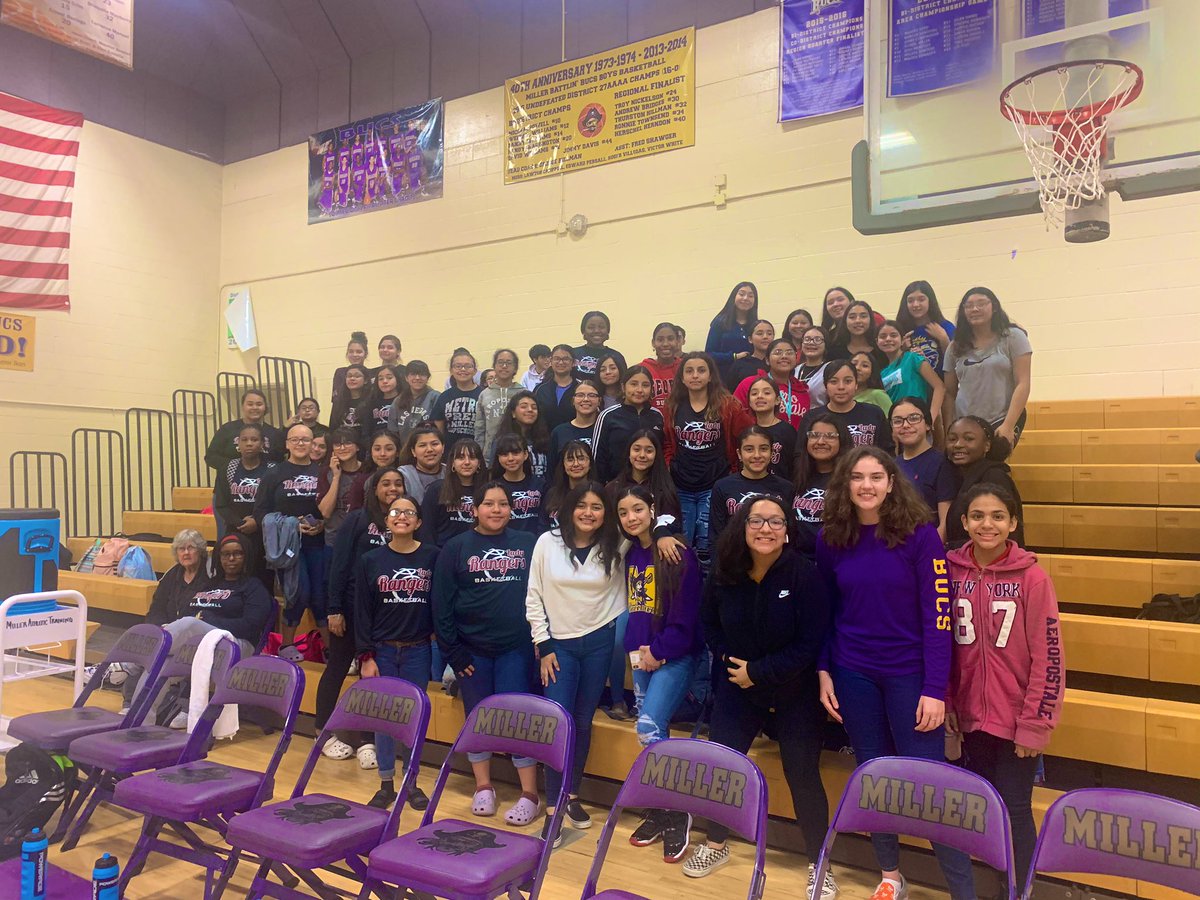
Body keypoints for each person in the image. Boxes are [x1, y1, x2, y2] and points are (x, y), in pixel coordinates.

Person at [816, 448, 977, 900]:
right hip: (853, 672)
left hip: (911, 674)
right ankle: (890, 875)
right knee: (873, 776)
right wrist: (825, 669)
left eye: (876, 476)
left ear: (891, 482)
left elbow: (939, 617)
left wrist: (934, 689)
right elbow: (827, 613)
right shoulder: (832, 538)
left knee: (931, 789)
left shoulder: (922, 536)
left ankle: (964, 891)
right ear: (845, 484)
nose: (866, 485)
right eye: (857, 477)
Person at [686, 496, 834, 900]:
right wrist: (729, 661)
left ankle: (819, 862)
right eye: (757, 521)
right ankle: (715, 843)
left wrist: (760, 671)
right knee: (723, 765)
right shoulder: (725, 572)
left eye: (775, 521)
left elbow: (810, 643)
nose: (766, 529)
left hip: (793, 687)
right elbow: (709, 624)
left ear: (788, 530)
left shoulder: (805, 575)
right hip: (736, 685)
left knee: (802, 774)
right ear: (743, 526)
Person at [947, 485, 1063, 890]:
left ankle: (1020, 890)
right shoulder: (948, 571)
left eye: (997, 516)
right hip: (969, 716)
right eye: (977, 516)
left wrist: (1036, 723)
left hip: (1017, 719)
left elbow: (1049, 658)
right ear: (964, 523)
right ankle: (1001, 882)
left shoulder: (1033, 578)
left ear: (1013, 523)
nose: (987, 524)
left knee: (1013, 806)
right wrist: (948, 703)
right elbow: (940, 641)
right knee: (987, 806)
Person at [432, 481, 541, 826]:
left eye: (503, 504)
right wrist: (453, 653)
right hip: (472, 652)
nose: (496, 510)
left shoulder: (528, 543)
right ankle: (484, 786)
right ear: (474, 509)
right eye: (489, 504)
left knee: (517, 720)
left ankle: (529, 794)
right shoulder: (456, 547)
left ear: (512, 509)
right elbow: (441, 606)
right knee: (476, 719)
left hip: (516, 648)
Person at [526, 483, 626, 847]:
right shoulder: (547, 543)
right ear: (568, 508)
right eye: (581, 505)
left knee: (582, 723)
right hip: (559, 647)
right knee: (558, 723)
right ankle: (553, 812)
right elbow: (533, 595)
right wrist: (544, 643)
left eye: (597, 507)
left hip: (599, 643)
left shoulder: (617, 545)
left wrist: (662, 533)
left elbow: (653, 526)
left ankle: (571, 796)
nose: (588, 512)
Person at [616, 485, 704, 863]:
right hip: (641, 657)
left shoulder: (675, 551)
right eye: (623, 512)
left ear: (652, 509)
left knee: (649, 727)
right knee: (651, 733)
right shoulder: (631, 553)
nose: (631, 517)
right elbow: (637, 609)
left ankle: (678, 810)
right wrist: (637, 651)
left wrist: (660, 651)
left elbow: (687, 617)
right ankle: (663, 809)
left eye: (638, 508)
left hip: (674, 655)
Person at [355, 493, 439, 811]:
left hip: (418, 650)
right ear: (387, 521)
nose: (401, 516)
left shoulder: (432, 556)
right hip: (383, 651)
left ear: (418, 521)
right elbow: (362, 611)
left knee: (413, 720)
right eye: (395, 511)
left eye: (409, 512)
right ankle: (386, 783)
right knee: (384, 720)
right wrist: (366, 656)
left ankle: (411, 782)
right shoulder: (371, 561)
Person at [321, 468, 405, 771]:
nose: (392, 488)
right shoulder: (357, 519)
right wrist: (334, 609)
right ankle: (324, 733)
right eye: (386, 483)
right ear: (375, 488)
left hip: (383, 613)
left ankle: (367, 739)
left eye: (398, 484)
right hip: (350, 608)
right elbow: (338, 565)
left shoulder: (404, 519)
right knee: (338, 668)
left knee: (371, 675)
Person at [663, 352, 752, 572]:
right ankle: (684, 594)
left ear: (711, 375)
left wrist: (734, 470)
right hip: (681, 485)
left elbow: (746, 436)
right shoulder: (672, 406)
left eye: (701, 370)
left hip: (714, 485)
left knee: (705, 546)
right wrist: (670, 464)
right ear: (682, 378)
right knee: (682, 544)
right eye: (689, 371)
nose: (695, 376)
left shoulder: (728, 405)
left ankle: (705, 598)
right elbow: (666, 441)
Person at [121, 529, 212, 712]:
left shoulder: (210, 577)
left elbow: (206, 612)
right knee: (149, 637)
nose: (185, 553)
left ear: (200, 550)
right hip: (167, 634)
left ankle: (127, 667)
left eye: (190, 548)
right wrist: (161, 626)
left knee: (153, 652)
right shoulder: (172, 576)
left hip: (193, 638)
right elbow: (156, 608)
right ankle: (130, 704)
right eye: (181, 549)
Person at [255, 423, 327, 654]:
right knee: (298, 594)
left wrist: (323, 525)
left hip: (318, 543)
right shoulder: (274, 474)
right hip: (288, 547)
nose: (300, 444)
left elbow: (332, 507)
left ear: (313, 443)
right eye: (294, 439)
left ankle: (329, 650)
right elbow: (260, 512)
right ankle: (287, 646)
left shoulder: (322, 472)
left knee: (320, 597)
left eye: (305, 440)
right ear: (287, 443)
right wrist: (290, 525)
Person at [943, 287, 1033, 448]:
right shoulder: (955, 346)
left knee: (991, 467)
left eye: (981, 303)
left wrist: (1008, 425)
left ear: (995, 307)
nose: (975, 309)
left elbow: (1023, 383)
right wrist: (950, 428)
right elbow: (949, 393)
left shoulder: (1013, 337)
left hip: (1001, 418)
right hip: (966, 423)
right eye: (969, 305)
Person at [172, 533, 273, 658]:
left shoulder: (254, 587)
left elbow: (251, 626)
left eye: (238, 553)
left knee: (189, 626)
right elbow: (186, 611)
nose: (231, 558)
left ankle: (154, 649)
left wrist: (210, 621)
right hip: (201, 640)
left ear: (246, 556)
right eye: (226, 554)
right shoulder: (209, 584)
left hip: (237, 643)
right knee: (165, 661)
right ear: (219, 558)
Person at [212, 423, 276, 594]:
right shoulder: (228, 468)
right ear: (237, 444)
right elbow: (221, 504)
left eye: (254, 440)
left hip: (263, 534)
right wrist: (239, 522)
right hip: (236, 531)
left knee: (262, 579)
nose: (249, 443)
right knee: (236, 578)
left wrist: (257, 520)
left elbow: (276, 503)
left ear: (262, 444)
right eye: (244, 440)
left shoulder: (272, 470)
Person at [945, 416, 1025, 550]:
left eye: (969, 439)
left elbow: (1000, 534)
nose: (958, 444)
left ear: (987, 445)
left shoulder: (995, 477)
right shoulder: (954, 476)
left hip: (993, 564)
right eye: (952, 439)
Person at [709, 426, 794, 541]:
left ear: (772, 453)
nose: (757, 455)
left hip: (772, 554)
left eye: (763, 449)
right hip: (734, 555)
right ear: (739, 454)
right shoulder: (722, 486)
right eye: (749, 449)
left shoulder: (786, 488)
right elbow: (715, 536)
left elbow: (790, 533)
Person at [893, 398, 956, 540]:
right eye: (898, 421)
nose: (905, 425)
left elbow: (945, 522)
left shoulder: (941, 463)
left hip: (927, 545)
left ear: (928, 424)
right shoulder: (890, 465)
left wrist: (931, 549)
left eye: (913, 418)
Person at [791, 414, 852, 559]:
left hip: (835, 561)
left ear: (841, 441)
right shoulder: (798, 476)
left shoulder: (851, 479)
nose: (820, 441)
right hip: (800, 561)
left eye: (830, 436)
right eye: (814, 435)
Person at [799, 361, 894, 453]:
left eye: (848, 381)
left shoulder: (874, 413)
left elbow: (887, 451)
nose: (841, 387)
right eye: (833, 381)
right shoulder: (812, 417)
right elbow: (800, 454)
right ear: (825, 385)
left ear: (856, 384)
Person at [591, 364, 664, 483]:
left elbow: (660, 455)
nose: (639, 390)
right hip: (615, 486)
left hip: (649, 486)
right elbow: (597, 458)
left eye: (645, 385)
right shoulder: (607, 416)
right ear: (623, 387)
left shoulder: (657, 416)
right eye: (633, 384)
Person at [605, 429, 681, 528]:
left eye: (649, 451)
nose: (642, 455)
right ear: (629, 453)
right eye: (636, 449)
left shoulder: (665, 489)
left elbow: (672, 525)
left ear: (656, 455)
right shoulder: (612, 488)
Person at [418, 439, 483, 547]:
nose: (467, 462)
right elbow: (427, 528)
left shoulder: (486, 491)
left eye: (472, 457)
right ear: (452, 462)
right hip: (442, 552)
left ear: (479, 463)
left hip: (476, 555)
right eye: (461, 458)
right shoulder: (437, 489)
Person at [734, 339, 810, 429]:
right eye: (778, 352)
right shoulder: (749, 384)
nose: (784, 356)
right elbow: (734, 417)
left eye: (789, 353)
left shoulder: (802, 391)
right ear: (767, 360)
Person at [206, 389, 284, 475]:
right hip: (229, 484)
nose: (254, 407)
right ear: (243, 406)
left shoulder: (275, 434)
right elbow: (211, 457)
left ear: (265, 407)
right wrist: (235, 467)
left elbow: (280, 461)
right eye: (250, 404)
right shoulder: (227, 429)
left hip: (265, 484)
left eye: (259, 404)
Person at [877, 321, 945, 418]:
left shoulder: (913, 358)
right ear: (877, 342)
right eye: (883, 336)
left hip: (917, 420)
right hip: (896, 424)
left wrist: (931, 418)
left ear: (902, 340)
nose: (888, 339)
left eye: (893, 335)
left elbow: (939, 387)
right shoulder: (881, 374)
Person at [896, 280, 954, 376]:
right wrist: (902, 350)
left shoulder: (945, 327)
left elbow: (956, 362)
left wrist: (944, 339)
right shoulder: (901, 330)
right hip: (915, 388)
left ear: (930, 301)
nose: (915, 304)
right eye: (910, 301)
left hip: (943, 385)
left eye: (921, 299)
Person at [474, 348, 522, 463]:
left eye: (509, 363)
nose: (504, 366)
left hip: (517, 453)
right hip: (490, 456)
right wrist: (479, 453)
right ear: (494, 366)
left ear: (515, 368)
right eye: (500, 362)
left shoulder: (523, 393)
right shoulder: (484, 394)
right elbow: (480, 428)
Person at [490, 433, 545, 534]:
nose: (510, 458)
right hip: (504, 544)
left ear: (525, 454)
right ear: (498, 458)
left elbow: (544, 520)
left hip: (535, 543)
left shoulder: (540, 484)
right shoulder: (493, 488)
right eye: (505, 454)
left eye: (515, 453)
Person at [705, 281, 758, 384]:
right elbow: (709, 354)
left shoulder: (755, 325)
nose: (746, 298)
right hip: (723, 380)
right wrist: (734, 356)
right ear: (734, 297)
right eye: (742, 294)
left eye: (750, 296)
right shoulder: (719, 322)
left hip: (750, 380)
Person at [744, 377, 797, 480]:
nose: (760, 396)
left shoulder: (787, 431)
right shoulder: (747, 432)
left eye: (767, 393)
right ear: (749, 402)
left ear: (777, 400)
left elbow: (795, 466)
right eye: (754, 394)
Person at [430, 349, 483, 452]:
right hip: (450, 453)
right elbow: (438, 430)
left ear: (475, 370)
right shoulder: (444, 396)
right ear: (451, 370)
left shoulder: (483, 395)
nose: (463, 369)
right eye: (458, 366)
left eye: (468, 366)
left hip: (476, 452)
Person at [493, 390, 551, 479]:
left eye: (534, 407)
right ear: (513, 413)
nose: (530, 410)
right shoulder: (501, 441)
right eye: (524, 406)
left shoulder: (545, 439)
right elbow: (494, 473)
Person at [548, 379, 600, 471]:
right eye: (580, 395)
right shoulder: (559, 432)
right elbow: (552, 468)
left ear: (599, 401)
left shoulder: (604, 430)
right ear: (573, 400)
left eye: (592, 395)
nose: (586, 399)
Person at [542, 440, 594, 530]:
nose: (576, 464)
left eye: (581, 459)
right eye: (570, 460)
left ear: (590, 464)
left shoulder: (597, 494)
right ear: (563, 465)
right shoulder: (552, 494)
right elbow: (542, 526)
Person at [388, 360, 440, 446]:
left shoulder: (436, 397)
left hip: (429, 449)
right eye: (413, 374)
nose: (417, 378)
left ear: (428, 377)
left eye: (422, 374)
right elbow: (393, 431)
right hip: (404, 451)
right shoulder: (398, 401)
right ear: (406, 378)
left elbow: (440, 430)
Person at [345, 431, 402, 510]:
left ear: (397, 452)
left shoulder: (406, 475)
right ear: (371, 452)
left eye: (389, 449)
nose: (382, 453)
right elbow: (354, 512)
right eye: (377, 449)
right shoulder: (361, 480)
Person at [532, 345, 579, 433]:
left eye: (565, 359)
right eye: (557, 358)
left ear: (573, 363)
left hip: (573, 440)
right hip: (544, 440)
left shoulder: (580, 389)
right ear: (551, 361)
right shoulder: (540, 389)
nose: (561, 362)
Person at [640, 321, 683, 412]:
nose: (665, 344)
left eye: (670, 339)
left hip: (682, 423)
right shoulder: (642, 369)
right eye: (660, 340)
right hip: (651, 423)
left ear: (678, 341)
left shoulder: (686, 368)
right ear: (653, 343)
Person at [398, 424, 445, 505]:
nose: (429, 449)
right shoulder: (403, 474)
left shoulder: (451, 472)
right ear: (413, 451)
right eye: (422, 445)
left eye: (434, 444)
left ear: (443, 448)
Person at [573, 311, 627, 378]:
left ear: (608, 331)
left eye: (601, 327)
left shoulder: (617, 357)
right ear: (583, 331)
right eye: (591, 327)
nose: (597, 331)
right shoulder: (573, 354)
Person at [725, 319, 774, 389]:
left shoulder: (777, 363)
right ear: (750, 339)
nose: (765, 337)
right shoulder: (740, 364)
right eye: (760, 333)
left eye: (769, 334)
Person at [842, 301, 888, 372]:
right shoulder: (835, 351)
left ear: (871, 319)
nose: (858, 320)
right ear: (845, 321)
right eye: (852, 317)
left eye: (863, 316)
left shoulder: (882, 349)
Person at [329, 365, 370, 441]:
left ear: (366, 380)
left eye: (357, 376)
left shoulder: (371, 401)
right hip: (343, 444)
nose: (352, 379)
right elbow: (333, 428)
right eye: (349, 376)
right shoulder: (338, 402)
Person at [795, 326, 831, 407]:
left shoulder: (830, 369)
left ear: (826, 344)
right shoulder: (795, 370)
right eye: (807, 339)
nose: (811, 343)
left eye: (817, 340)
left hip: (821, 417)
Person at [331, 331, 369, 408]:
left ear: (365, 354)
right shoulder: (340, 373)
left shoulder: (371, 373)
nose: (354, 355)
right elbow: (336, 401)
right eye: (351, 351)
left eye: (359, 352)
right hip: (344, 413)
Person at [363, 365, 402, 433]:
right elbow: (366, 430)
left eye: (389, 378)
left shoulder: (405, 400)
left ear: (397, 379)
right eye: (380, 379)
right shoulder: (371, 403)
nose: (385, 381)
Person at [819, 286, 855, 358]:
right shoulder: (827, 337)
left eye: (840, 299)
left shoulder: (863, 330)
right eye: (830, 302)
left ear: (852, 302)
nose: (835, 304)